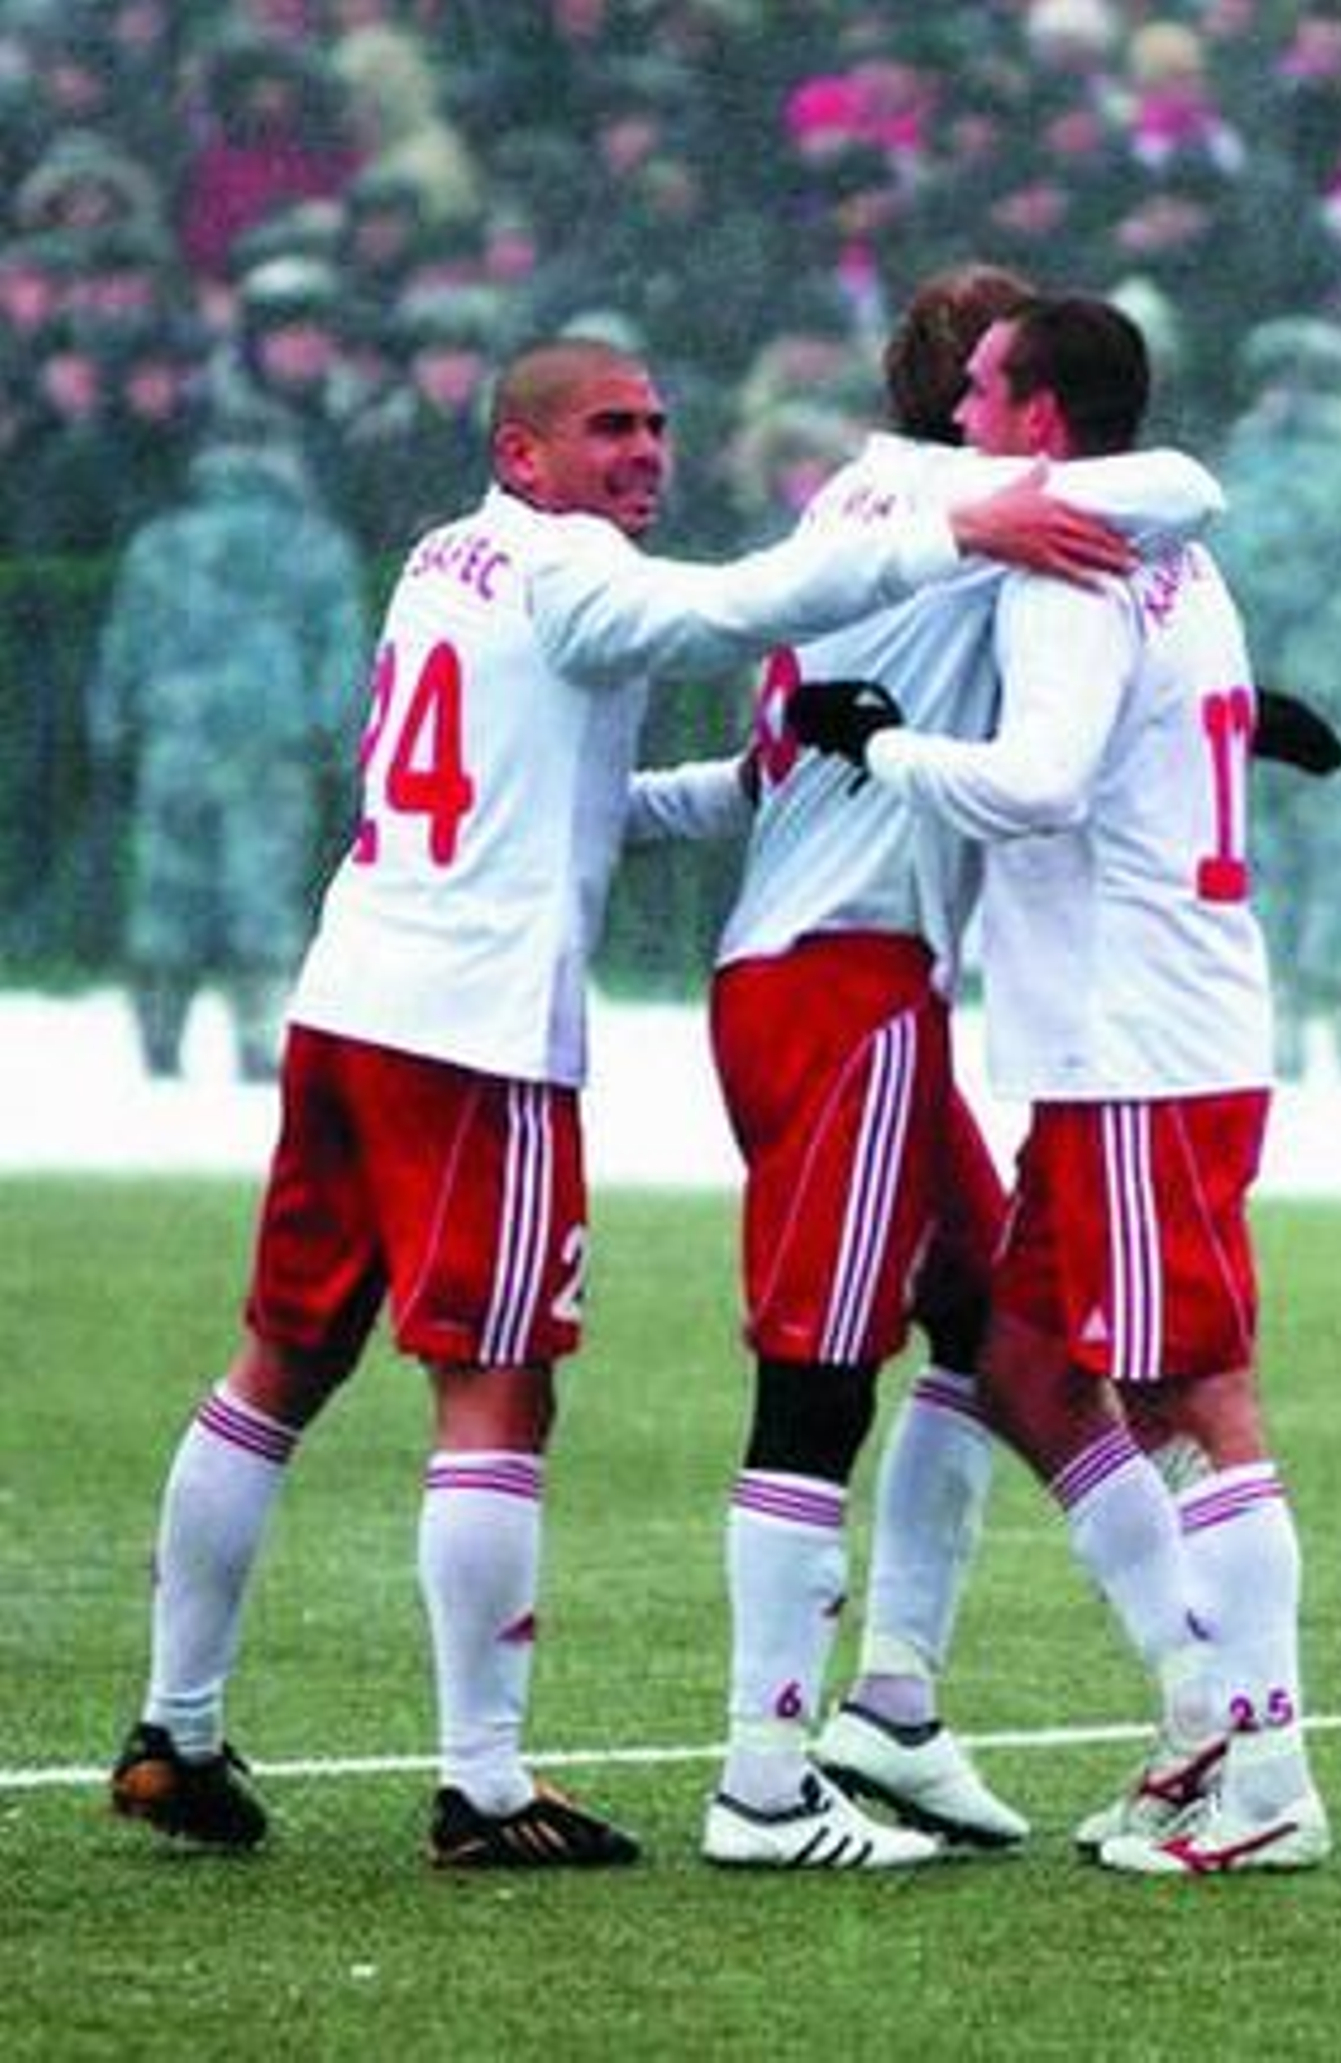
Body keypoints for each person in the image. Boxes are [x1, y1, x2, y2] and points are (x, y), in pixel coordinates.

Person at [107, 333, 1121, 1872]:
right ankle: (485, 1780)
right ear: (523, 452)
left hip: (349, 997)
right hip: (476, 1039)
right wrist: (955, 529)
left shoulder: (446, 562)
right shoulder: (573, 569)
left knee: (279, 1362)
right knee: (497, 1390)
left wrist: (741, 788)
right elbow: (738, 604)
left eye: (655, 424)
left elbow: (564, 801)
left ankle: (173, 1727)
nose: (643, 452)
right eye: (606, 429)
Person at [628, 268, 1315, 1872]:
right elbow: (1165, 513)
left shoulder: (896, 515)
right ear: (988, 415)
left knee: (1002, 1346)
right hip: (870, 983)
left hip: (918, 993)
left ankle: (912, 1701)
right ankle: (766, 1771)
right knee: (837, 1375)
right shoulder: (1030, 519)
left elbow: (807, 740)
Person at [86, 415, 369, 1081]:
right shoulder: (315, 547)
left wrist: (115, 731)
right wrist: (334, 741)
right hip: (272, 746)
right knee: (262, 889)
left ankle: (160, 1034)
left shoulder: (159, 545)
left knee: (166, 889)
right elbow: (342, 655)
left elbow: (121, 649)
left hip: (172, 743)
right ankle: (259, 1038)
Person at [1214, 315, 1341, 1084]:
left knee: (1324, 850)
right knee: (1291, 851)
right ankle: (1307, 1016)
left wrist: (1301, 671)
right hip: (1286, 699)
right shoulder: (1258, 462)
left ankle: (1333, 1014)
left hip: (1301, 701)